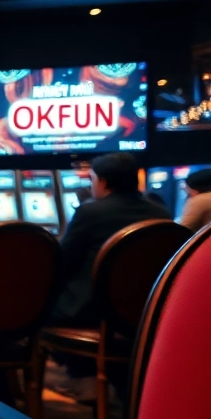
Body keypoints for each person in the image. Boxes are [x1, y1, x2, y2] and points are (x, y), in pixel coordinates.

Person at [50, 152, 170, 400]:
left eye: (92, 179)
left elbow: (61, 262)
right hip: (147, 314)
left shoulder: (90, 212)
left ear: (103, 182)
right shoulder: (162, 214)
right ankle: (97, 378)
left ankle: (0, 392)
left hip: (93, 315)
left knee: (29, 307)